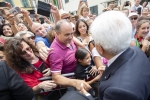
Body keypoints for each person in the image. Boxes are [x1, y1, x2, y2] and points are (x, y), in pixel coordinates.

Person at [90, 11, 150, 100]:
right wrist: (108, 69)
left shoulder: (117, 92)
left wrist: (86, 96)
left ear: (99, 48)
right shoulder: (136, 50)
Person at [47, 19, 91, 91]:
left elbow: (70, 36)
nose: (71, 37)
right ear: (57, 34)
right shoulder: (55, 52)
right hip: (71, 86)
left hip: (81, 76)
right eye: (67, 34)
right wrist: (75, 82)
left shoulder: (68, 38)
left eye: (72, 33)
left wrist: (81, 45)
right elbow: (56, 77)